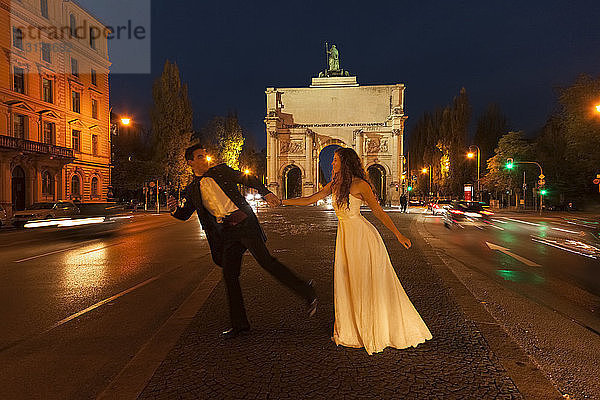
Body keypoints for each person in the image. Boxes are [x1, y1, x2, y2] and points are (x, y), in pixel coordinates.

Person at [283, 147, 432, 355]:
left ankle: (368, 328)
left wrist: (399, 235)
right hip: (346, 237)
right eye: (333, 160)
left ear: (345, 162)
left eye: (335, 160)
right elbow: (310, 199)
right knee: (348, 281)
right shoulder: (335, 184)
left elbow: (379, 213)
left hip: (363, 238)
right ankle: (352, 329)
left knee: (363, 281)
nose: (332, 164)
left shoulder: (361, 184)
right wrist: (281, 201)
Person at [167, 144, 317, 339]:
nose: (205, 159)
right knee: (229, 277)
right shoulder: (192, 189)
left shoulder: (221, 171)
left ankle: (307, 291)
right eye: (200, 156)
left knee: (266, 262)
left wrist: (266, 192)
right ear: (190, 162)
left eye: (205, 155)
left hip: (244, 224)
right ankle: (240, 325)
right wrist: (173, 209)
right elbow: (184, 214)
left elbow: (248, 178)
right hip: (227, 233)